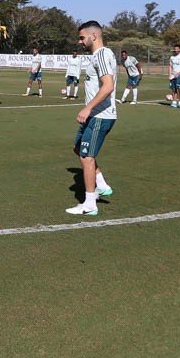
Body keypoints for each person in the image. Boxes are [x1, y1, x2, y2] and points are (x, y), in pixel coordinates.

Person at [66, 21, 116, 216]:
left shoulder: (102, 54)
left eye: (81, 37)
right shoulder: (98, 56)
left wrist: (88, 108)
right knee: (78, 148)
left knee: (87, 157)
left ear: (93, 36)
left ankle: (89, 204)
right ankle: (102, 185)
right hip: (94, 115)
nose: (79, 42)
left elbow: (108, 85)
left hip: (100, 116)